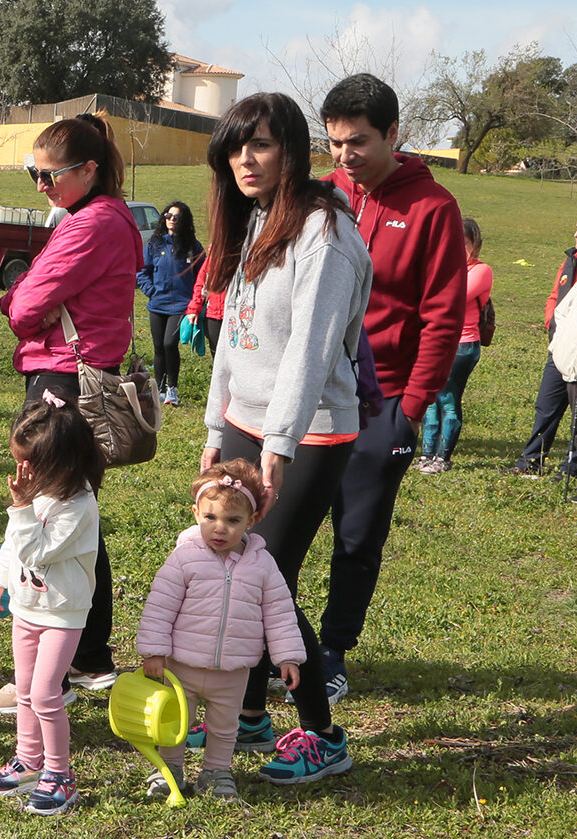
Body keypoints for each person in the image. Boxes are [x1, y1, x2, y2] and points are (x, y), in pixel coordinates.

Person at [198, 91, 371, 785]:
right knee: (238, 571)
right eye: (235, 147)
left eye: (261, 144)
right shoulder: (259, 219)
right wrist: (218, 426)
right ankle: (247, 715)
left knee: (265, 579)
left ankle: (324, 737)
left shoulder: (323, 234)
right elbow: (232, 336)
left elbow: (309, 350)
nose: (245, 159)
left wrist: (278, 445)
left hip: (309, 433)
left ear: (292, 151)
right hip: (247, 422)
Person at [318, 73, 468, 700]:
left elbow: (443, 315)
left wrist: (409, 409)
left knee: (357, 535)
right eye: (334, 143)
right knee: (279, 527)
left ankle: (332, 649)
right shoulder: (325, 195)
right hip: (314, 393)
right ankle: (277, 641)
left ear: (393, 134)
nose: (345, 155)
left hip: (384, 404)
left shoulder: (434, 208)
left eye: (357, 141)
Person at [0, 111, 139, 705]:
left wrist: (22, 301)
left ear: (90, 169)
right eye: (35, 174)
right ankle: (85, 658)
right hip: (73, 375)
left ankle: (59, 667)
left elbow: (24, 308)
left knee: (50, 515)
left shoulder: (90, 224)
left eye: (52, 174)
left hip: (62, 380)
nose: (42, 185)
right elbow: (28, 296)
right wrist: (25, 297)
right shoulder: (100, 216)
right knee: (73, 516)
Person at [135, 460, 305, 802]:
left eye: (232, 521)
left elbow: (279, 611)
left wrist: (287, 656)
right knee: (174, 720)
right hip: (182, 665)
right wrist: (153, 651)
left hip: (233, 670)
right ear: (196, 513)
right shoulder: (185, 558)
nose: (219, 528)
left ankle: (216, 771)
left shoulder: (262, 564)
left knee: (225, 726)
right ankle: (169, 768)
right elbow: (160, 606)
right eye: (210, 517)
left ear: (251, 521)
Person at [0, 394, 102, 817]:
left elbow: (37, 551)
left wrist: (21, 507)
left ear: (60, 464)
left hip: (62, 613)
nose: (22, 472)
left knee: (47, 694)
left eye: (29, 464)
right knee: (26, 691)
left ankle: (60, 775)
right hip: (27, 609)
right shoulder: (38, 494)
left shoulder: (78, 505)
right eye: (20, 462)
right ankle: (28, 760)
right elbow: (14, 545)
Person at [418, 217, 493, 473]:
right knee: (429, 397)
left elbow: (453, 297)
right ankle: (427, 454)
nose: (457, 248)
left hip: (462, 344)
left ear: (475, 244)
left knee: (448, 398)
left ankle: (443, 457)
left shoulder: (481, 271)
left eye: (464, 243)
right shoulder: (441, 267)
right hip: (434, 340)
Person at [510, 224, 577, 475]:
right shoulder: (569, 261)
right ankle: (531, 462)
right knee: (546, 406)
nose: (575, 235)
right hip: (560, 346)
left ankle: (571, 468)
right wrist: (551, 322)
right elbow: (554, 295)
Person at [138, 201, 203, 407]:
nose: (171, 219)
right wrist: (150, 290)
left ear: (184, 221)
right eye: (168, 215)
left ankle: (172, 389)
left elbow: (203, 275)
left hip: (181, 305)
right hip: (157, 304)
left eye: (176, 217)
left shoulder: (193, 246)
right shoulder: (155, 244)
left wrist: (195, 301)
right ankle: (160, 390)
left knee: (169, 344)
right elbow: (142, 271)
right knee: (158, 348)